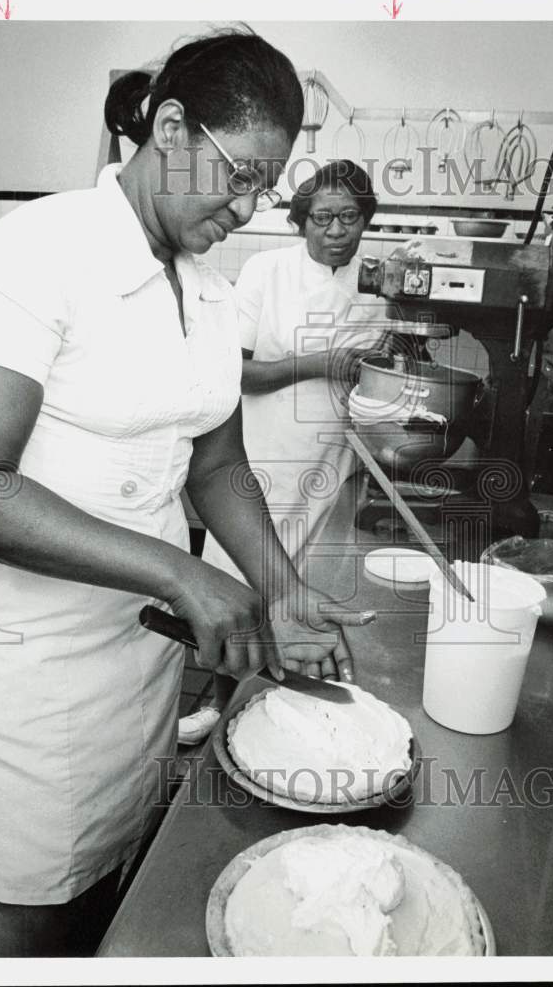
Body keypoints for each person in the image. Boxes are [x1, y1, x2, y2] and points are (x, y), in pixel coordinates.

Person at [0, 29, 371, 957]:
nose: (249, 207)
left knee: (106, 882)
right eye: (241, 176)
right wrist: (182, 573)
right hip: (30, 661)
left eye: (266, 188)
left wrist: (278, 585)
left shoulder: (204, 289)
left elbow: (217, 464)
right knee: (38, 905)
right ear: (169, 126)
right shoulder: (36, 253)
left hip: (140, 650)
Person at [179, 161, 386, 745]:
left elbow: (374, 376)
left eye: (350, 217)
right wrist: (317, 364)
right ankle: (223, 712)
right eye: (322, 217)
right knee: (241, 586)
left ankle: (284, 723)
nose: (337, 230)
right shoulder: (266, 271)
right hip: (256, 460)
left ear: (366, 220)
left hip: (331, 462)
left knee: (301, 593)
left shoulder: (376, 284)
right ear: (300, 222)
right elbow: (236, 371)